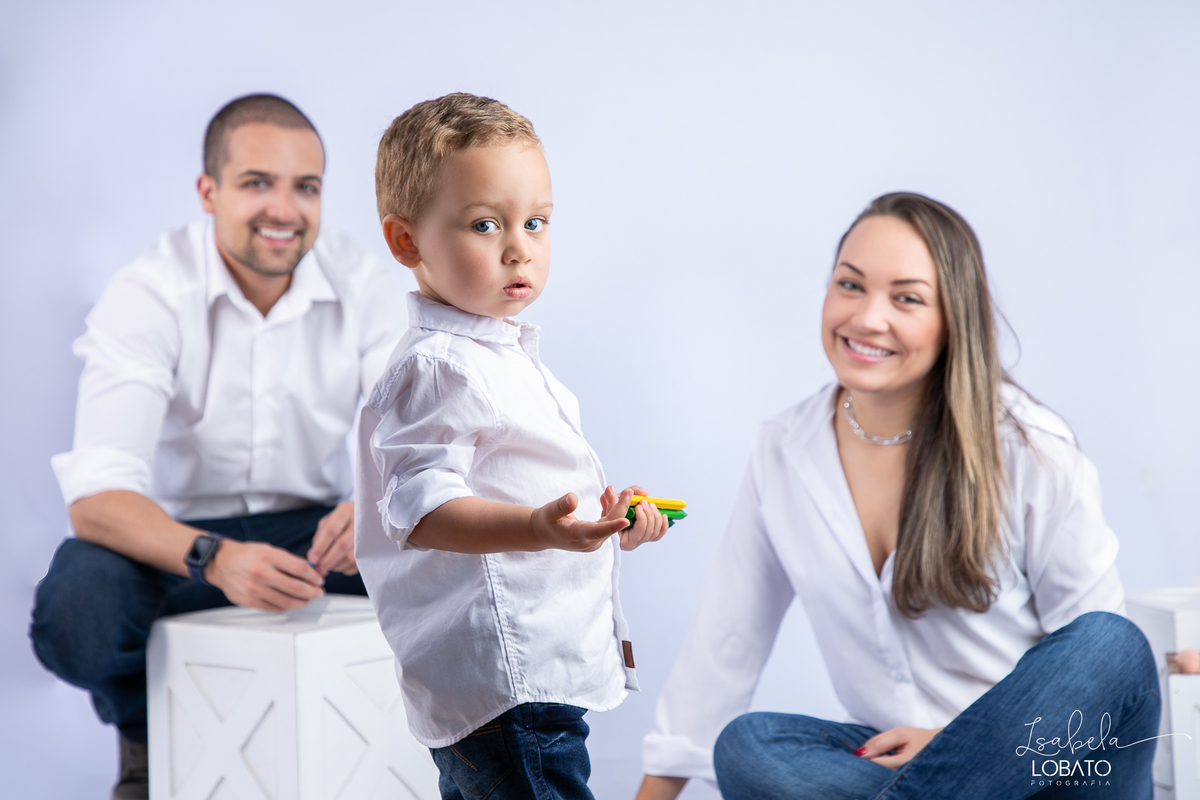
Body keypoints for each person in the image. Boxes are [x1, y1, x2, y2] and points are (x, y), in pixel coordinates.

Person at [635, 193, 1160, 800]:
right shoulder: (784, 450)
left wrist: (950, 739)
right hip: (898, 767)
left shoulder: (1028, 446)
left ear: (952, 318)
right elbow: (723, 643)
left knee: (1109, 641)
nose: (867, 318)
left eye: (906, 298)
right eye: (850, 285)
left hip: (1049, 775)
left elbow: (1092, 676)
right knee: (749, 745)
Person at [29, 94, 405, 800]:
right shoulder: (150, 291)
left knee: (453, 555)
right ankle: (148, 739)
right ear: (209, 192)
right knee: (78, 610)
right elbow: (98, 498)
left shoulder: (361, 283)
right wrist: (215, 559)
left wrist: (380, 505)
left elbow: (415, 433)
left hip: (314, 538)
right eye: (257, 183)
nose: (284, 210)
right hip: (174, 548)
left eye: (306, 187)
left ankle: (413, 753)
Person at [355, 92, 670, 800]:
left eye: (536, 222)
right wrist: (536, 528)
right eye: (485, 223)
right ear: (407, 243)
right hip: (509, 683)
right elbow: (422, 508)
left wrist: (607, 512)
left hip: (529, 673)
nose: (519, 246)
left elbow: (531, 485)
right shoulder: (439, 365)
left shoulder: (500, 354)